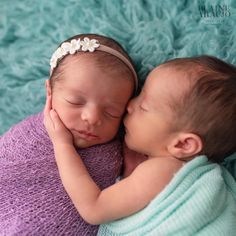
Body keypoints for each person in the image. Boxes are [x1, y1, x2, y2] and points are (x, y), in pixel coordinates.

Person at [44, 55, 236, 235]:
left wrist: (62, 144)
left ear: (183, 144)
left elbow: (93, 208)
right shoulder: (176, 173)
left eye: (144, 106)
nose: (129, 105)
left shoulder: (163, 169)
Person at [0, 33, 140, 235]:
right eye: (75, 101)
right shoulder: (26, 138)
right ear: (50, 92)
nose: (92, 118)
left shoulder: (118, 152)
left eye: (112, 112)